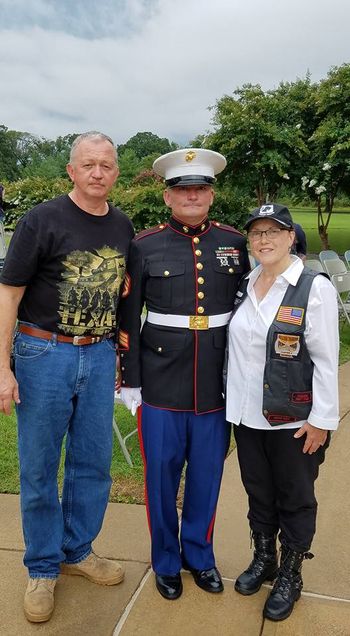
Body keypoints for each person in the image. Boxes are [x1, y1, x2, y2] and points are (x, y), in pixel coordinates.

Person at [0, 132, 134, 623]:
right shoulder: (42, 220)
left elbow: (121, 296)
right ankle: (42, 566)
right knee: (39, 465)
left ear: (116, 172)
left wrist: (117, 356)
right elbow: (8, 294)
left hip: (97, 356)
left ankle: (77, 551)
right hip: (43, 353)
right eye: (89, 164)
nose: (98, 173)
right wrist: (2, 368)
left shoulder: (122, 224)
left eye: (107, 165)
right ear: (71, 171)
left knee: (92, 461)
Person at [118, 148, 250, 600]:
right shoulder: (144, 245)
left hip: (216, 382)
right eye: (182, 189)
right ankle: (166, 562)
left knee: (207, 475)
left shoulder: (234, 242)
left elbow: (249, 310)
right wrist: (131, 380)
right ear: (168, 196)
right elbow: (128, 317)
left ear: (211, 194)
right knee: (160, 480)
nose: (192, 195)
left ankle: (199, 556)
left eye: (200, 188)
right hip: (159, 381)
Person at [225, 203, 339, 621]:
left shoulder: (314, 288)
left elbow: (327, 360)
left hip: (294, 420)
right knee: (259, 491)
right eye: (256, 233)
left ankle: (291, 572)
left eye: (274, 231)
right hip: (246, 414)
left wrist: (321, 420)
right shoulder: (247, 281)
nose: (264, 240)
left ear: (292, 237)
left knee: (295, 497)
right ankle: (264, 559)